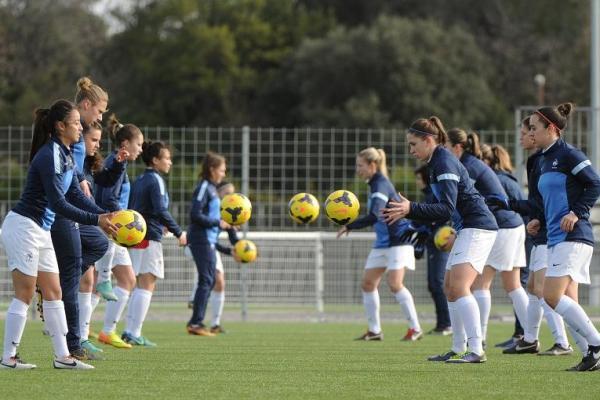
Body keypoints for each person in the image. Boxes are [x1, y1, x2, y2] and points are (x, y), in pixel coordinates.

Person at [0, 99, 116, 370]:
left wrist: (104, 215)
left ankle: (63, 356)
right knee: (25, 295)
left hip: (40, 230)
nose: (80, 127)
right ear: (60, 126)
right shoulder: (49, 154)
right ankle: (8, 357)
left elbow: (74, 192)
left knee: (54, 292)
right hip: (24, 228)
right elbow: (59, 203)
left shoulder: (65, 153)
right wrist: (96, 220)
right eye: (76, 122)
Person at [383, 116, 498, 363]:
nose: (411, 150)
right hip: (465, 227)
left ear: (428, 140)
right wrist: (416, 221)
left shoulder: (443, 162)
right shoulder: (436, 162)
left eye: (414, 144)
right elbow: (440, 207)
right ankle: (458, 348)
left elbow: (445, 208)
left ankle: (476, 350)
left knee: (459, 287)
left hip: (477, 227)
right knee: (449, 288)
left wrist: (410, 208)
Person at [483, 141, 573, 356]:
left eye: (529, 131)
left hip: (549, 235)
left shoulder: (558, 159)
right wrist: (534, 218)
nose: (525, 135)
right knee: (532, 287)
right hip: (538, 232)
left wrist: (571, 214)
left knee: (547, 291)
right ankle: (530, 339)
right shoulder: (536, 162)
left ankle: (566, 343)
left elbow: (586, 187)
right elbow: (536, 202)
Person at [529, 103, 600, 371]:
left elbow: (595, 183)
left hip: (575, 236)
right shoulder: (544, 159)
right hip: (557, 238)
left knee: (550, 295)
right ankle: (589, 355)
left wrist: (576, 212)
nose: (530, 132)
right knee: (564, 299)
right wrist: (539, 221)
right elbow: (553, 201)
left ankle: (596, 343)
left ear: (552, 128)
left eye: (535, 127)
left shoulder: (569, 154)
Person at [445, 129, 528, 351]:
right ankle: (531, 335)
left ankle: (479, 338)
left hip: (499, 226)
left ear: (457, 147)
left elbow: (461, 201)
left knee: (479, 284)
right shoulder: (473, 164)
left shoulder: (468, 166)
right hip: (513, 225)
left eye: (446, 146)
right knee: (513, 284)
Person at [338, 147, 423, 341]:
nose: (358, 169)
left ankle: (415, 329)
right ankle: (375, 331)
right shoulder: (375, 184)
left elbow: (374, 215)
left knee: (395, 284)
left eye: (360, 165)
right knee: (368, 284)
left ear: (372, 165)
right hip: (384, 242)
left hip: (398, 240)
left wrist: (350, 225)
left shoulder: (381, 185)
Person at [124, 141, 187, 346]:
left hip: (138, 236)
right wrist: (179, 232)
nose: (170, 162)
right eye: (167, 158)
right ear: (155, 160)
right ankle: (133, 332)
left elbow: (143, 208)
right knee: (147, 284)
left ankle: (129, 331)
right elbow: (160, 209)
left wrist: (160, 225)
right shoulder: (155, 180)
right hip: (149, 237)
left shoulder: (141, 179)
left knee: (138, 283)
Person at [78, 121, 128, 356]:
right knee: (101, 250)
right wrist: (102, 216)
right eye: (94, 140)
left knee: (87, 281)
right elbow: (105, 194)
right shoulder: (71, 158)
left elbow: (104, 181)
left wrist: (119, 163)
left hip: (89, 218)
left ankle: (80, 337)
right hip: (74, 221)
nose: (98, 145)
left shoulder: (91, 162)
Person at [93, 114, 144, 349]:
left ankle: (106, 331)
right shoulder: (116, 162)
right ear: (126, 144)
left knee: (127, 279)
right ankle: (78, 330)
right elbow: (106, 196)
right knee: (94, 282)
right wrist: (124, 218)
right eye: (139, 144)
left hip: (116, 227)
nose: (140, 149)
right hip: (110, 226)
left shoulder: (118, 162)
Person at [187, 152, 233, 336]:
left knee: (210, 279)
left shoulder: (213, 189)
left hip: (208, 240)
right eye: (221, 170)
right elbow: (195, 214)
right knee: (207, 279)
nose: (223, 173)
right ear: (212, 169)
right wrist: (217, 223)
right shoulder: (204, 187)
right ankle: (195, 323)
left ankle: (197, 321)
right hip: (200, 239)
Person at [414, 165, 451, 336]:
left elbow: (441, 215)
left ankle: (447, 324)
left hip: (441, 242)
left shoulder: (435, 195)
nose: (416, 182)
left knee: (438, 282)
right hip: (432, 243)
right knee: (433, 284)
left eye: (418, 178)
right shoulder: (429, 195)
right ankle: (441, 323)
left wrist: (423, 228)